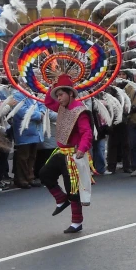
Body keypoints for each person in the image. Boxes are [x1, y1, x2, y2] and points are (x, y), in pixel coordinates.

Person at [39, 75, 94, 233]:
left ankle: (77, 221)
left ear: (70, 93)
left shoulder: (79, 110)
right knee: (44, 174)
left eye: (60, 94)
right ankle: (61, 199)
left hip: (73, 155)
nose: (58, 98)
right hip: (61, 152)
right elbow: (48, 102)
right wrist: (53, 85)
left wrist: (82, 149)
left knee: (73, 188)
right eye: (57, 95)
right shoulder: (62, 106)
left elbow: (87, 133)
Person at [10, 90, 45, 189]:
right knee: (23, 156)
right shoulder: (17, 95)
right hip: (24, 130)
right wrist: (39, 115)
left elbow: (41, 103)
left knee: (32, 156)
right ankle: (21, 179)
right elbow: (21, 111)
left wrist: (42, 112)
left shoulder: (33, 93)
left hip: (35, 129)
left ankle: (30, 177)